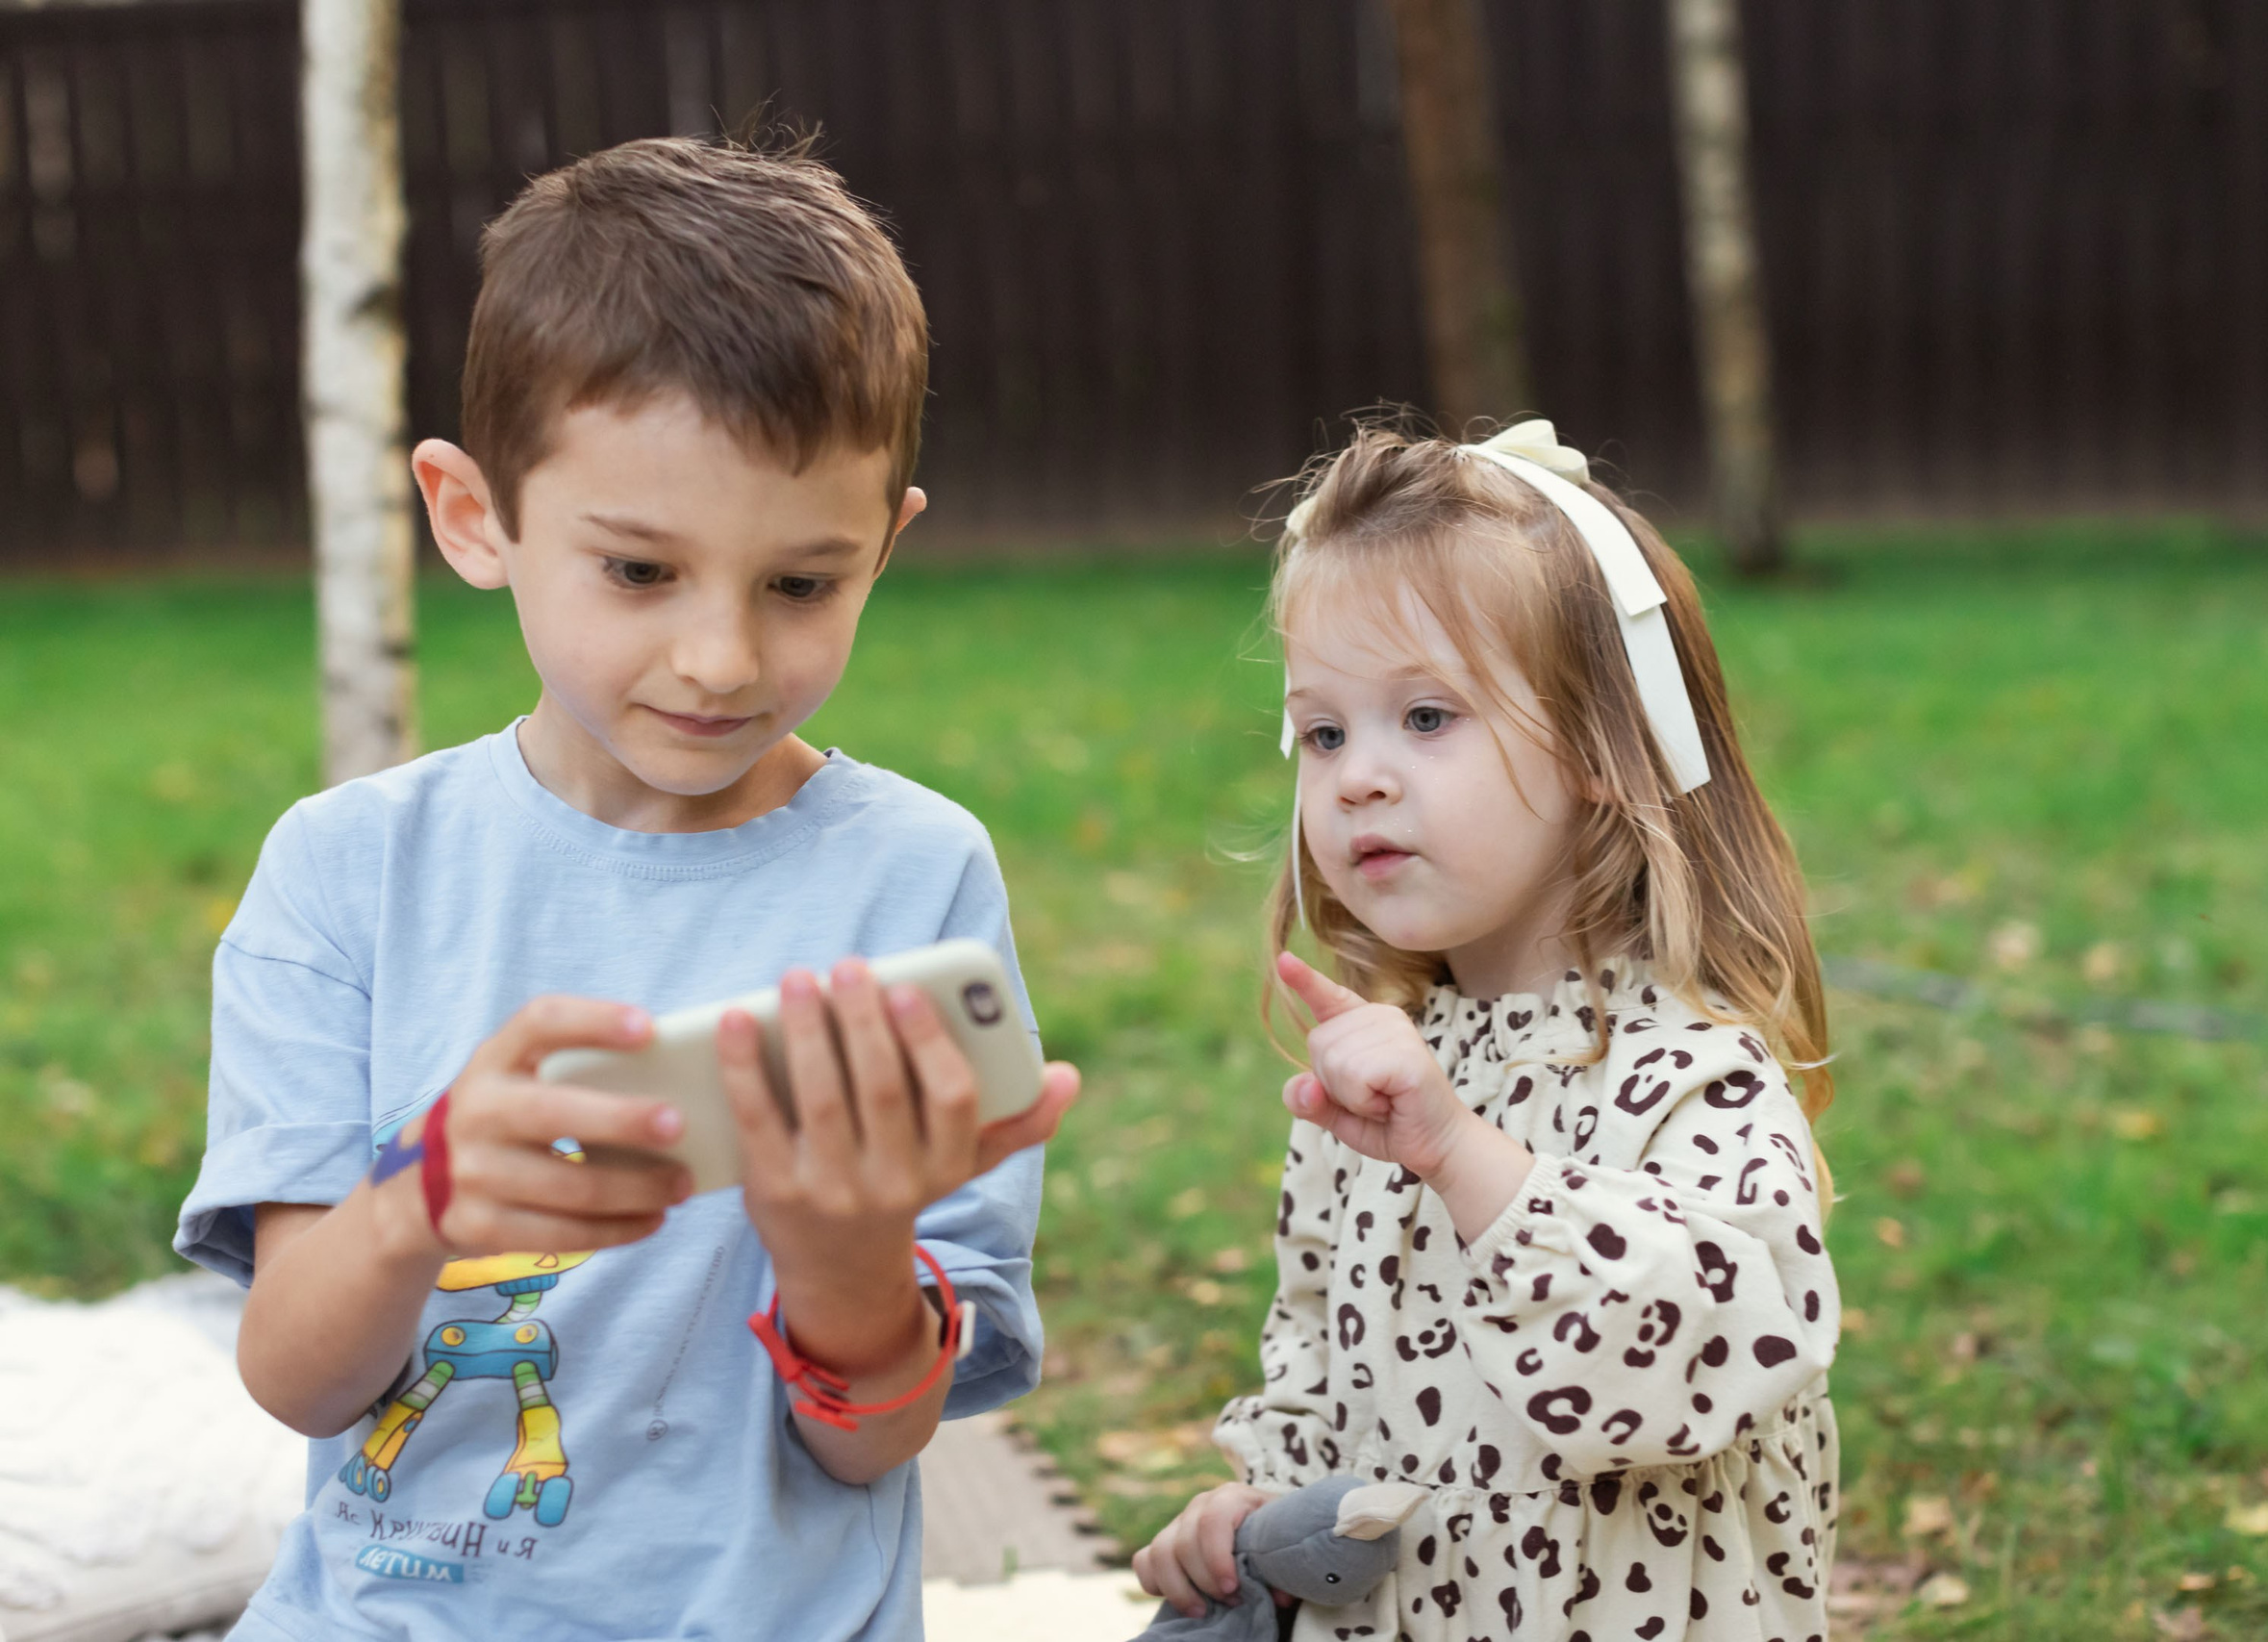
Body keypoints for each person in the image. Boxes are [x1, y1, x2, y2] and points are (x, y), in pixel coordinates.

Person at [174, 136, 1075, 1639]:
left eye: (801, 582)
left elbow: (871, 1436)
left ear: (885, 547)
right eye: (641, 571)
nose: (722, 657)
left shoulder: (916, 875)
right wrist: (416, 1213)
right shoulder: (348, 871)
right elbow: (294, 1372)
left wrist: (848, 1261)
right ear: (477, 519)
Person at [1133, 419, 1841, 1640]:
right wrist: (1258, 1490)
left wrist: (1466, 1160)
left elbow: (1703, 1370)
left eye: (1423, 717)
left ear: (1603, 749)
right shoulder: (1387, 1062)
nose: (1355, 776)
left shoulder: (1689, 1076)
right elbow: (1317, 1334)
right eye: (1323, 731)